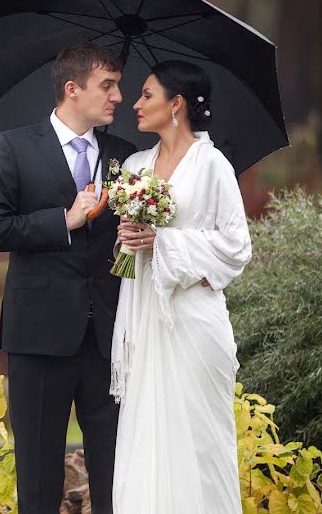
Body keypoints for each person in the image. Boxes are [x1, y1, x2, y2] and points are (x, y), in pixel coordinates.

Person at [0, 43, 137, 514]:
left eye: (119, 86)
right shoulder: (12, 147)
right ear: (72, 89)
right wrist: (63, 221)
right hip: (39, 335)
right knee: (40, 471)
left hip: (109, 337)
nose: (118, 97)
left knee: (115, 469)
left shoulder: (124, 156)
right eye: (108, 85)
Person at [111, 60, 252, 513]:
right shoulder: (135, 165)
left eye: (146, 95)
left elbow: (236, 247)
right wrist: (128, 239)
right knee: (147, 435)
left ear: (176, 105)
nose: (135, 103)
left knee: (200, 439)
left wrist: (165, 242)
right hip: (144, 318)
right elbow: (127, 258)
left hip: (192, 320)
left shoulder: (213, 166)